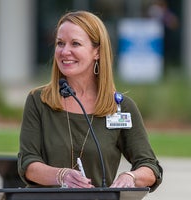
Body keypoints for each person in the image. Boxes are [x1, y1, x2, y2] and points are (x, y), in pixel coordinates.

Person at [18, 10, 162, 192]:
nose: (65, 51)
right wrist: (61, 175)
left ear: (97, 52)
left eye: (75, 44)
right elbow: (28, 164)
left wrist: (130, 176)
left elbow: (150, 168)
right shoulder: (38, 101)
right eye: (60, 43)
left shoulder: (121, 107)